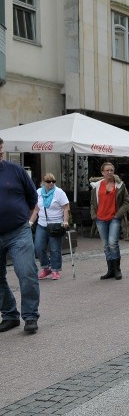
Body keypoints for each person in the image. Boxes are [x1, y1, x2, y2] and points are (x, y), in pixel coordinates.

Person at [0, 137, 41, 334]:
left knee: (26, 272)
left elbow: (32, 197)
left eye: (1, 150)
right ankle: (9, 314)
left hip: (18, 231)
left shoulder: (15, 171)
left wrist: (26, 219)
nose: (0, 153)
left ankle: (30, 316)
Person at [90, 162, 129, 280]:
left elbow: (126, 202)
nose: (109, 172)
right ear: (102, 172)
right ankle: (110, 270)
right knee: (106, 245)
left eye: (111, 170)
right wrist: (94, 216)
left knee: (113, 242)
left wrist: (118, 215)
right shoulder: (96, 186)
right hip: (100, 219)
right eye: (107, 170)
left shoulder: (120, 185)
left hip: (114, 218)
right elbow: (93, 203)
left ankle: (117, 269)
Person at [30, 173, 71, 281]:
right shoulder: (38, 192)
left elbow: (66, 207)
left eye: (53, 181)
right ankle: (46, 267)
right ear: (43, 182)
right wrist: (30, 222)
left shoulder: (59, 192)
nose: (51, 183)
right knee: (38, 247)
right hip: (42, 224)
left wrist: (65, 221)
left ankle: (55, 270)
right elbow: (36, 209)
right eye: (48, 181)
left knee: (54, 249)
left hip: (56, 224)